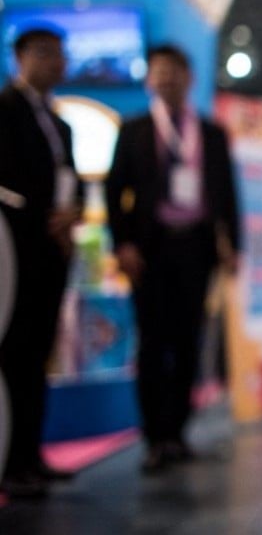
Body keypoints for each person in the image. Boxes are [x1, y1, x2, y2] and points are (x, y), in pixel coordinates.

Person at [105, 44, 240, 473]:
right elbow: (114, 192)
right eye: (159, 72)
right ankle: (154, 437)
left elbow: (227, 194)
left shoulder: (212, 133)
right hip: (149, 249)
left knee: (188, 341)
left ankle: (178, 434)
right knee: (151, 341)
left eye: (174, 72)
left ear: (188, 78)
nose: (166, 79)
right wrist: (122, 244)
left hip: (196, 248)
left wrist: (232, 246)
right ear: (150, 79)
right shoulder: (134, 130)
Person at [0, 28, 81, 498]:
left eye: (60, 54)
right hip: (16, 253)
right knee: (14, 356)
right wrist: (41, 217)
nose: (55, 63)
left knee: (36, 357)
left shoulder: (60, 123)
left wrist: (68, 219)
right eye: (45, 54)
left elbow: (71, 182)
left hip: (53, 253)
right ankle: (11, 459)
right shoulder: (4, 111)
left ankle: (31, 455)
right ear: (20, 57)